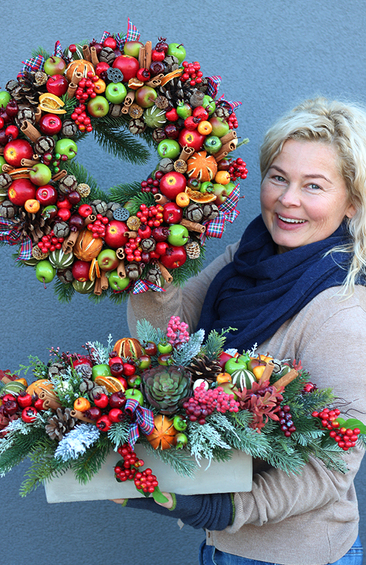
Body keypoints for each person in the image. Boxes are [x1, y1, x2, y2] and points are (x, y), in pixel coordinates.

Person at [114, 97, 366, 565]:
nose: (288, 199)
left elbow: (331, 467)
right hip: (223, 545)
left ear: (351, 202)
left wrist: (225, 508)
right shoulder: (246, 258)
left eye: (313, 186)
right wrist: (154, 266)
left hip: (293, 556)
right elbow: (167, 340)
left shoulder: (341, 312)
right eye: (278, 177)